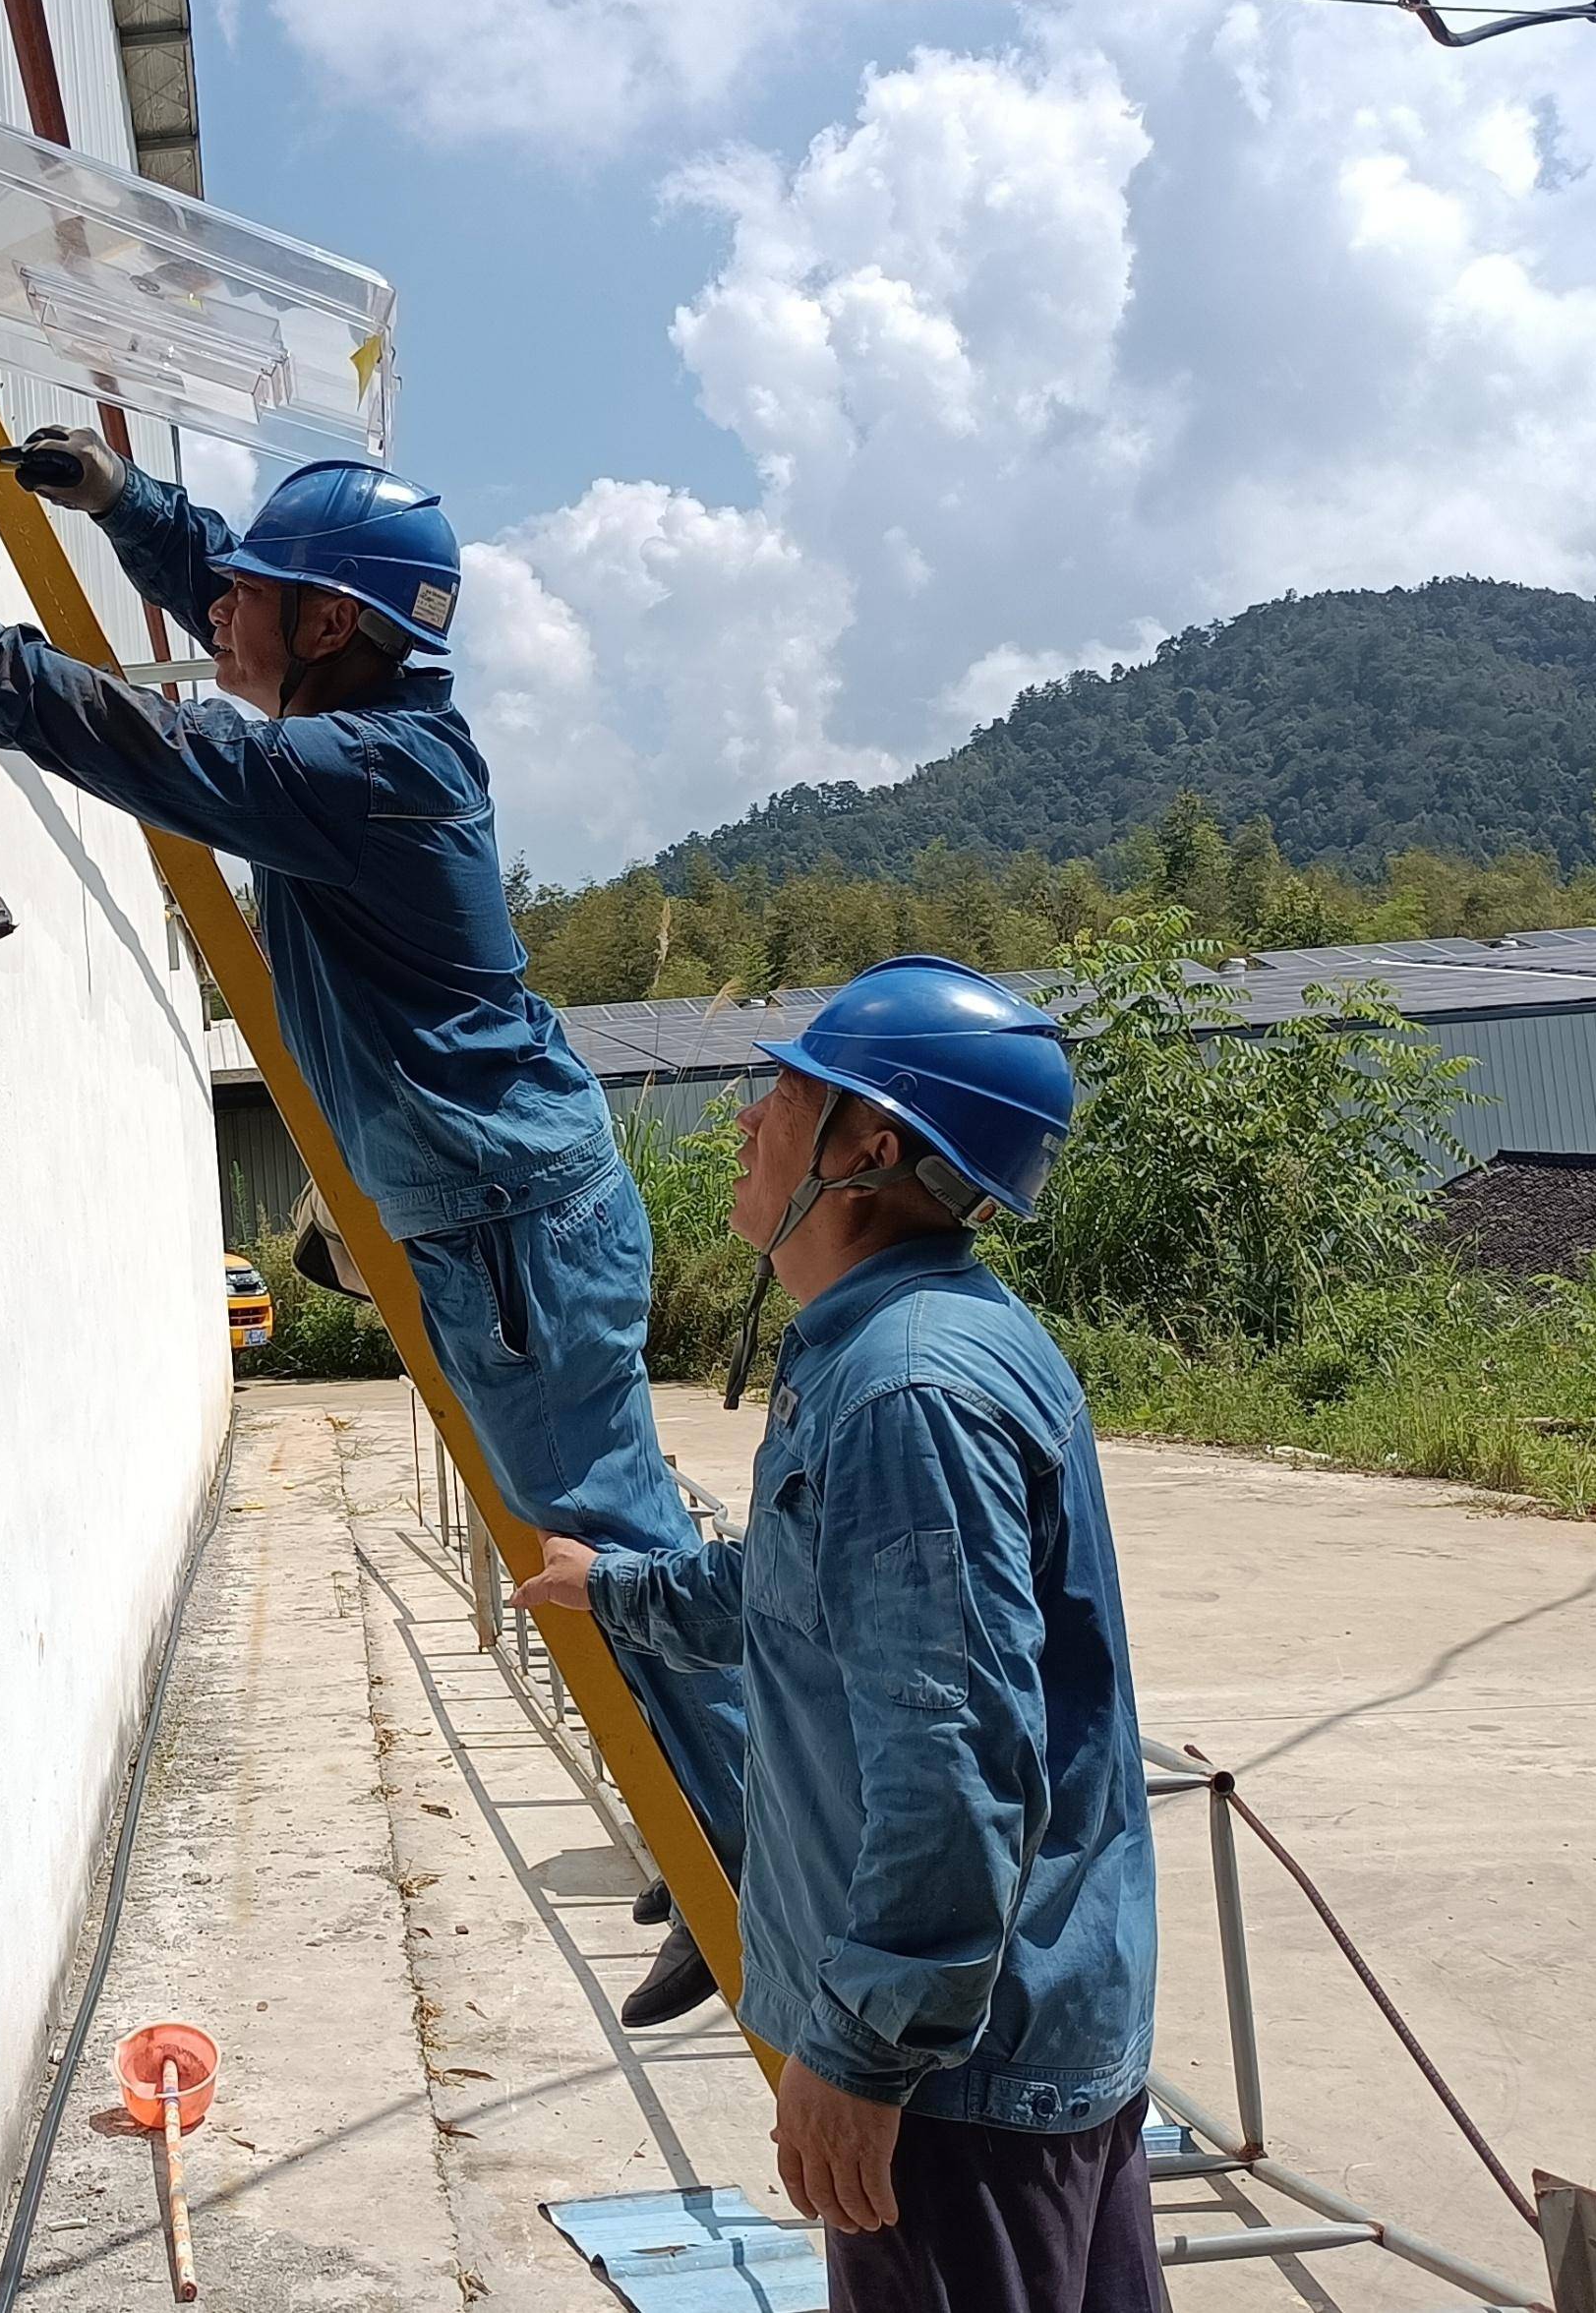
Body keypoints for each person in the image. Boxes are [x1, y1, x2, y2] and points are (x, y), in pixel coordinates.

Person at [0, 429, 746, 2027]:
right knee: (610, 1536)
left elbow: (176, 748)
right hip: (503, 1211)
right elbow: (238, 625)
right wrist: (125, 508)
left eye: (255, 596)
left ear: (325, 628)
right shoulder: (365, 718)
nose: (216, 611)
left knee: (612, 1550)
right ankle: (727, 1822)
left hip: (512, 1227)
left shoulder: (369, 775)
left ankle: (752, 1862)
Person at [511, 958, 1163, 2313]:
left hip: (955, 2091)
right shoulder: (908, 1341)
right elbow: (797, 1595)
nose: (745, 1120)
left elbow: (953, 1757)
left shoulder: (906, 1392)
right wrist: (617, 1588)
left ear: (866, 1147)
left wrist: (867, 2054)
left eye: (785, 1093)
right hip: (999, 2051)